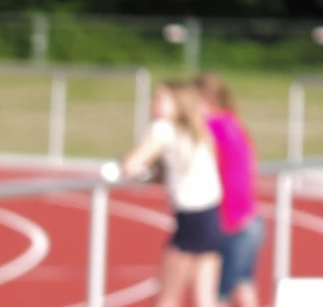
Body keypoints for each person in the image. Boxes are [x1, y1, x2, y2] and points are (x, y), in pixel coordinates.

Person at [108, 79, 225, 307]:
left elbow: (131, 165)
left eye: (161, 98)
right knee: (205, 298)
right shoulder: (196, 129)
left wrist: (121, 164)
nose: (153, 102)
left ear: (178, 103)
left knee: (168, 298)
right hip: (211, 216)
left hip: (190, 219)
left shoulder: (163, 128)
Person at [195, 75, 262, 307]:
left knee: (218, 295)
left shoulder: (212, 127)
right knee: (243, 284)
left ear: (206, 100)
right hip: (250, 218)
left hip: (230, 221)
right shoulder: (233, 122)